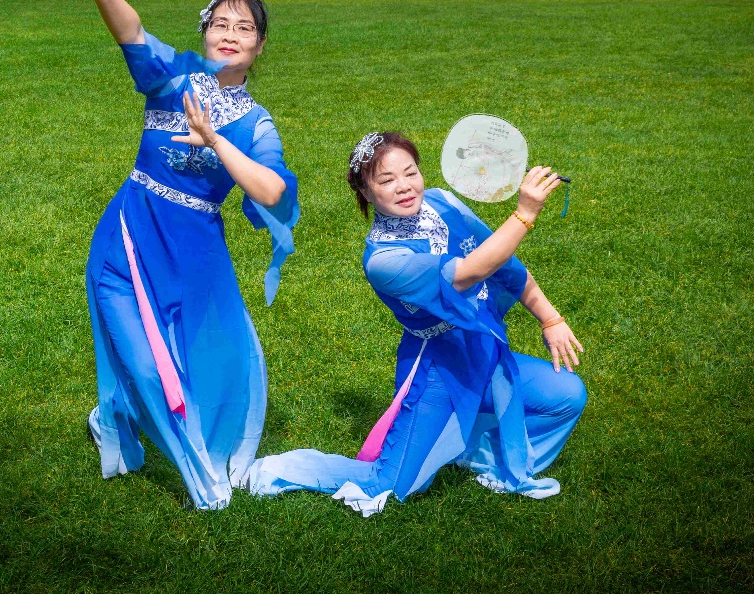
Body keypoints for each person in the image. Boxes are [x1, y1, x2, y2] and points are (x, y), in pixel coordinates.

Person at [71, 0, 300, 510]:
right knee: (147, 365)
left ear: (260, 46)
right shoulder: (172, 77)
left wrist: (217, 140)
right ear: (204, 33)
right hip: (128, 235)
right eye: (220, 23)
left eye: (243, 28)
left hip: (196, 253)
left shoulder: (258, 125)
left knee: (204, 357)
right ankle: (200, 477)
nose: (229, 34)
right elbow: (130, 30)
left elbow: (273, 190)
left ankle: (112, 414)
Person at [246, 132, 586, 514]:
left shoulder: (442, 202)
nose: (404, 187)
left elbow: (503, 263)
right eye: (386, 180)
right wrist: (525, 213)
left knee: (567, 396)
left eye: (410, 172)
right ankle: (283, 469)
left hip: (483, 350)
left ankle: (487, 461)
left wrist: (550, 318)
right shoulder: (384, 260)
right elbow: (475, 269)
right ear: (366, 192)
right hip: (437, 369)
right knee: (388, 485)